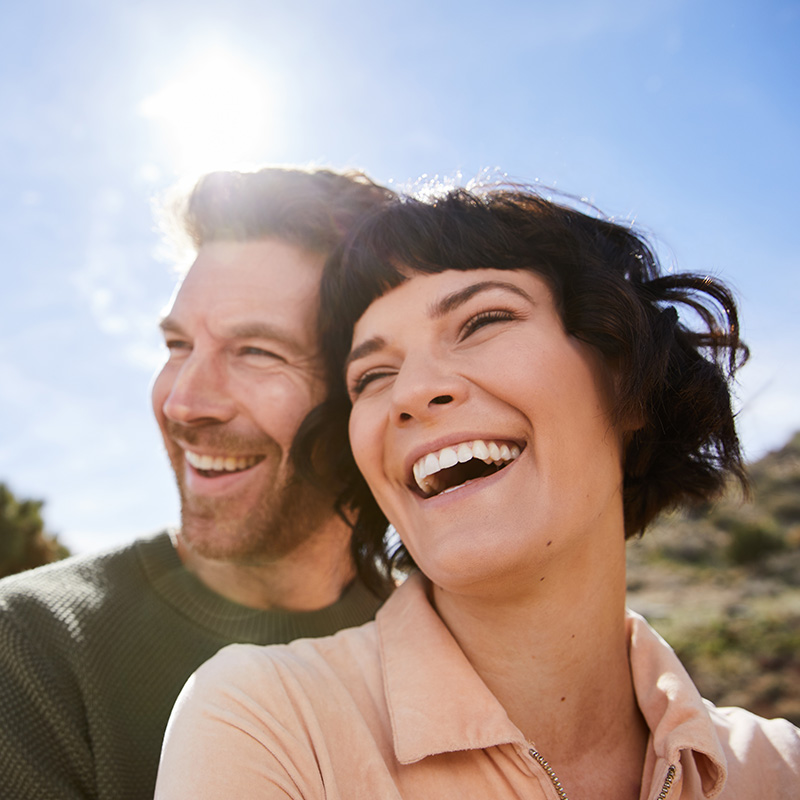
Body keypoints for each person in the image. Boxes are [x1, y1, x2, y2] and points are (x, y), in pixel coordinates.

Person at [155, 182, 800, 799]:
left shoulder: (780, 768)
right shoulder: (264, 721)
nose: (410, 392)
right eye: (373, 374)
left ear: (624, 372)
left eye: (481, 321)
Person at [0, 166, 395, 800]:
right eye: (178, 344)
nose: (184, 403)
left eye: (256, 351)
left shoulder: (451, 640)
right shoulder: (28, 653)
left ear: (369, 389)